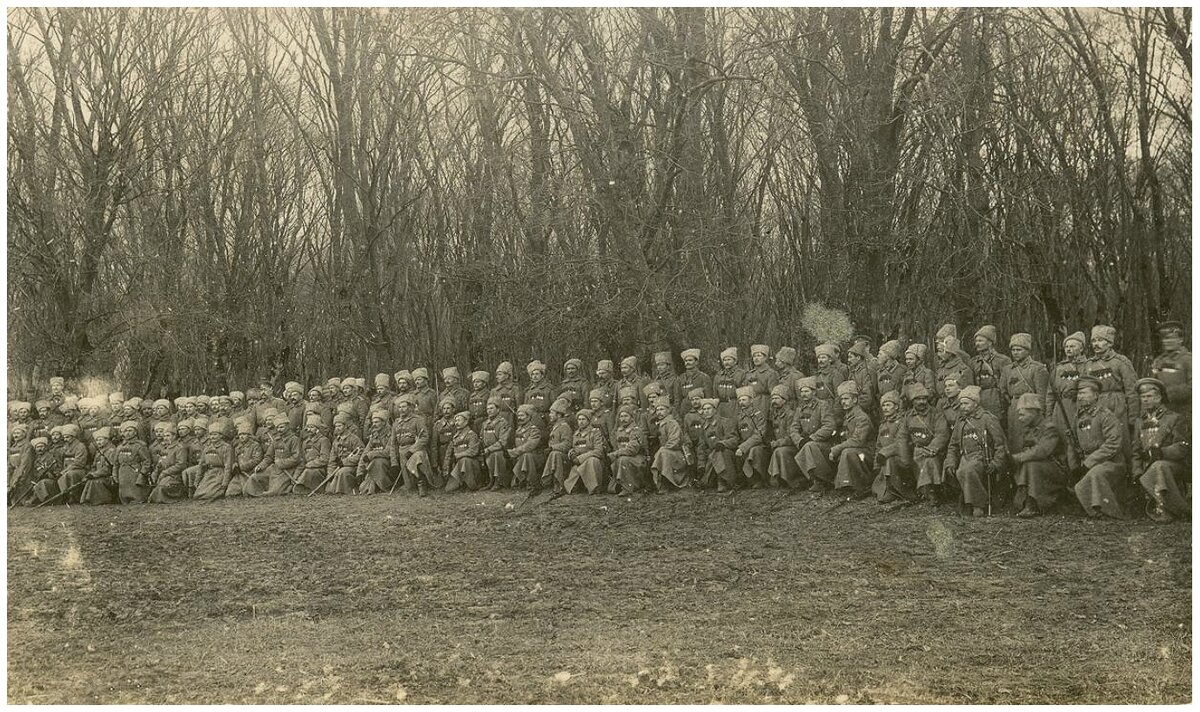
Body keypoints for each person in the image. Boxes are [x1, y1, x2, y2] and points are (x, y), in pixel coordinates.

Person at [1072, 376, 1132, 519]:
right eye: (1079, 393)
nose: (1080, 397)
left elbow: (1113, 444)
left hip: (1112, 462)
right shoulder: (1079, 417)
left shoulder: (1106, 416)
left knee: (1096, 473)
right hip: (1087, 463)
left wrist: (1088, 463)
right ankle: (1094, 509)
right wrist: (1075, 466)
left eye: (1085, 393)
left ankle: (1108, 512)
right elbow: (1072, 444)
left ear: (1096, 395)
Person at [943, 385, 1007, 517]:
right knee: (960, 470)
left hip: (982, 457)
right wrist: (950, 462)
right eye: (961, 404)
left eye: (966, 403)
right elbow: (953, 445)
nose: (963, 407)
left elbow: (1000, 444)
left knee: (969, 470)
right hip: (965, 456)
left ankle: (978, 505)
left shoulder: (987, 418)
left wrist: (996, 463)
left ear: (976, 404)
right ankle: (968, 503)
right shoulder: (960, 421)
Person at [1131, 378, 1190, 522]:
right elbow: (1136, 451)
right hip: (1147, 466)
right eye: (1143, 397)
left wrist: (1162, 452)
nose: (1145, 400)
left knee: (1159, 466)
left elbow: (1182, 446)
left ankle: (1175, 509)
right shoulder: (1140, 422)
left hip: (1171, 465)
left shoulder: (1174, 418)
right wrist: (1137, 471)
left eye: (1149, 396)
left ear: (1159, 397)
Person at [1009, 393, 1068, 518]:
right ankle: (1027, 500)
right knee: (1028, 463)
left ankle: (1033, 504)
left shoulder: (1049, 428)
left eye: (1022, 415)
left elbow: (1042, 451)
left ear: (1034, 413)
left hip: (1056, 470)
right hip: (1041, 470)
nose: (1020, 418)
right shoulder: (1029, 429)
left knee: (1031, 464)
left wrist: (1018, 457)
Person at [903, 384, 949, 505]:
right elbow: (902, 437)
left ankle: (932, 493)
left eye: (924, 399)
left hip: (932, 450)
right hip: (916, 450)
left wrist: (931, 449)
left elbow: (942, 434)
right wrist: (904, 455)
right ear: (913, 401)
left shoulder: (936, 414)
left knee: (930, 461)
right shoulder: (908, 416)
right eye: (918, 399)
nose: (922, 402)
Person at [1084, 324, 1139, 427]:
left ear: (1109, 343)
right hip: (1096, 408)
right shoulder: (1089, 364)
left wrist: (1133, 418)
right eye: (1093, 341)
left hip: (1117, 407)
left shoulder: (1121, 362)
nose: (1096, 344)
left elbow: (1132, 390)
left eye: (1100, 340)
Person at [1002, 333, 1050, 451]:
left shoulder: (1037, 368)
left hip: (1031, 407)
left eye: (1019, 349)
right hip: (1014, 408)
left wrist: (1041, 413)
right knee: (1014, 439)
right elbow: (1003, 390)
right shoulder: (1008, 369)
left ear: (1027, 351)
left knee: (1030, 440)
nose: (1015, 352)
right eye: (1013, 350)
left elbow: (1042, 394)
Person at [829, 381, 876, 500]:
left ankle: (859, 485)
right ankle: (845, 485)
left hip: (868, 452)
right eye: (842, 399)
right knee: (845, 452)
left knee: (847, 452)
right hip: (857, 450)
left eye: (846, 399)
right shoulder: (848, 415)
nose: (843, 402)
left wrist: (838, 448)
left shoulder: (861, 417)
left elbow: (858, 441)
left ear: (855, 400)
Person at [791, 377, 837, 492]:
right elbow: (793, 428)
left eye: (806, 391)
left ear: (814, 392)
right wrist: (799, 440)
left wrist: (813, 437)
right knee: (806, 446)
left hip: (824, 444)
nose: (803, 394)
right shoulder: (799, 409)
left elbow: (829, 426)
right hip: (806, 443)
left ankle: (823, 480)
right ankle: (812, 479)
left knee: (809, 446)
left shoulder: (823, 405)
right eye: (801, 391)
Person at [871, 391, 913, 503]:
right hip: (884, 459)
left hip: (900, 458)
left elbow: (901, 443)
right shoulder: (882, 425)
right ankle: (888, 489)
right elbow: (878, 446)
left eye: (888, 405)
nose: (885, 408)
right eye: (883, 405)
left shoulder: (902, 422)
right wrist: (876, 464)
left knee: (890, 461)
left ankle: (895, 491)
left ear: (896, 407)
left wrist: (885, 452)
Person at [390, 395, 436, 495]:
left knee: (417, 457)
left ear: (410, 408)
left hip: (415, 449)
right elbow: (393, 444)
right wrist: (394, 461)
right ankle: (412, 483)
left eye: (404, 407)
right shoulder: (396, 423)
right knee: (409, 486)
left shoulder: (418, 420)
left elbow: (424, 437)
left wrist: (412, 450)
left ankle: (422, 483)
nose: (401, 409)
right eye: (399, 407)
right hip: (402, 452)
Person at [698, 397, 739, 493]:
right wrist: (700, 465)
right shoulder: (704, 427)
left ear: (715, 410)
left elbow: (734, 439)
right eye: (704, 409)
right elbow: (701, 447)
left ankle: (723, 481)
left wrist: (723, 443)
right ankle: (711, 480)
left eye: (709, 409)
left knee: (720, 452)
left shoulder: (725, 422)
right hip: (712, 456)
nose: (706, 411)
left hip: (726, 454)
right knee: (713, 455)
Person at [970, 325, 1011, 420]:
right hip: (979, 399)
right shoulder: (973, 362)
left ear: (990, 343)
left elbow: (1007, 384)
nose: (977, 344)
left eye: (980, 341)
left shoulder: (1003, 360)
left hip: (997, 400)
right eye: (976, 341)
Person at [1150, 320, 1190, 415]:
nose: (1167, 342)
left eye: (1171, 338)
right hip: (1164, 412)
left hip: (1185, 411)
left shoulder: (1188, 360)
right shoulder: (1158, 361)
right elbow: (1153, 384)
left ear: (1180, 339)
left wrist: (1168, 393)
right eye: (1165, 339)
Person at [564, 409, 607, 495]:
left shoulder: (595, 433)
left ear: (588, 421)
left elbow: (598, 451)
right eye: (579, 419)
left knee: (591, 461)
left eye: (583, 419)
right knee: (570, 488)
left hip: (594, 462)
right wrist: (572, 454)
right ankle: (579, 485)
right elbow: (573, 447)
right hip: (580, 462)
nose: (581, 422)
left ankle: (594, 488)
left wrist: (580, 458)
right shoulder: (576, 434)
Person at [766, 384, 802, 488]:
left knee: (780, 451)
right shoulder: (773, 414)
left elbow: (792, 436)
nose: (774, 401)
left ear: (784, 400)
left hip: (790, 445)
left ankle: (788, 479)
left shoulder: (790, 414)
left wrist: (778, 443)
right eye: (772, 398)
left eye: (777, 398)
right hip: (777, 444)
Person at [650, 398, 689, 493]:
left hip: (678, 454)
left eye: (662, 409)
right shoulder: (660, 424)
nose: (659, 412)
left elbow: (674, 442)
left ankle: (666, 482)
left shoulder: (672, 423)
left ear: (668, 410)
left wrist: (661, 450)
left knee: (663, 453)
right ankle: (661, 482)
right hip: (667, 452)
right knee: (662, 453)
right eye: (657, 410)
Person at [734, 385, 769, 489]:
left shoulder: (759, 415)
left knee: (754, 451)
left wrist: (743, 447)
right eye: (740, 400)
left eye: (744, 400)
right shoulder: (739, 417)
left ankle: (758, 479)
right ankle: (743, 480)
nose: (741, 402)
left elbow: (759, 435)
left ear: (751, 400)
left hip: (759, 445)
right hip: (743, 445)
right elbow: (735, 434)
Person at [608, 404, 648, 495]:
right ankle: (620, 484)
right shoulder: (619, 431)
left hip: (638, 458)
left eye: (626, 416)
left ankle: (628, 487)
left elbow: (632, 450)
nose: (623, 419)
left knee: (623, 459)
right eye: (621, 416)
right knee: (610, 489)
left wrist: (616, 453)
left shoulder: (636, 430)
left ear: (632, 417)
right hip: (624, 457)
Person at [147, 423, 190, 503]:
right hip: (164, 475)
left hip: (175, 475)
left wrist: (165, 472)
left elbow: (180, 465)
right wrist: (155, 472)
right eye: (164, 436)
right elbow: (160, 462)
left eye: (168, 436)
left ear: (174, 436)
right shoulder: (165, 448)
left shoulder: (180, 448)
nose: (165, 438)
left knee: (162, 487)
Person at [357, 410, 396, 495]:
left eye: (377, 422)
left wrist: (372, 454)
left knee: (377, 461)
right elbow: (364, 454)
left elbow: (388, 452)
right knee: (363, 488)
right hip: (374, 464)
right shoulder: (374, 435)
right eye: (373, 422)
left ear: (384, 422)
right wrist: (359, 472)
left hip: (390, 463)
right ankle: (375, 485)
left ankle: (385, 485)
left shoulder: (391, 433)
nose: (374, 424)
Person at [193, 422, 235, 501]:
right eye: (211, 435)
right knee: (197, 495)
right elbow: (201, 465)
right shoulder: (207, 447)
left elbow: (228, 466)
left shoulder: (226, 447)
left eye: (215, 434)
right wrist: (197, 480)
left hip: (220, 473)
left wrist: (224, 484)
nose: (212, 437)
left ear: (221, 436)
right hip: (209, 473)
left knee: (210, 494)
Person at [324, 413, 364, 495]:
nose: (337, 428)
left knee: (342, 472)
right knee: (329, 487)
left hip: (353, 467)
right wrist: (330, 474)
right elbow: (332, 459)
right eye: (336, 426)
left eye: (340, 426)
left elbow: (361, 454)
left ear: (345, 426)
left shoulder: (354, 439)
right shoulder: (336, 441)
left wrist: (346, 462)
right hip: (339, 467)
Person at [509, 404, 546, 490]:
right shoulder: (518, 430)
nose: (519, 418)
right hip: (521, 456)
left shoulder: (534, 430)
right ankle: (522, 480)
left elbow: (530, 446)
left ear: (529, 417)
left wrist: (514, 452)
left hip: (536, 457)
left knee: (527, 455)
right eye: (518, 415)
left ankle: (531, 482)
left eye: (522, 415)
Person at [444, 412, 484, 492]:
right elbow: (448, 453)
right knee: (448, 489)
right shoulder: (455, 436)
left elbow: (473, 451)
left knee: (464, 460)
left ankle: (470, 485)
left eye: (459, 420)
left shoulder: (472, 435)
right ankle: (461, 483)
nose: (457, 423)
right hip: (458, 466)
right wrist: (446, 467)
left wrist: (459, 455)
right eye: (456, 421)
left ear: (466, 422)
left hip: (472, 465)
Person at [542, 398, 574, 494]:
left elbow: (567, 444)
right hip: (554, 456)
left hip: (563, 458)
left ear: (559, 415)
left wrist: (552, 448)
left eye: (552, 413)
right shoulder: (555, 426)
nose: (550, 415)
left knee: (555, 454)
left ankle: (558, 483)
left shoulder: (564, 427)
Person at [480, 396, 513, 490]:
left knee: (496, 455)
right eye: (487, 409)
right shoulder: (485, 423)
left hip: (499, 450)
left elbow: (502, 442)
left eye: (491, 408)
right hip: (487, 449)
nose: (489, 411)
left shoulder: (503, 423)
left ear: (498, 410)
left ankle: (498, 481)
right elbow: (481, 437)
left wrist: (489, 449)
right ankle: (490, 480)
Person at [115, 421, 153, 504]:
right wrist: (115, 475)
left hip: (135, 471)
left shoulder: (140, 445)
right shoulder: (120, 447)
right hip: (122, 472)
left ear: (135, 432)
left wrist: (142, 474)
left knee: (136, 495)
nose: (127, 433)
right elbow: (116, 463)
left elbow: (147, 462)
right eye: (125, 431)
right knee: (123, 493)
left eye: (130, 431)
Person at [228, 419, 267, 498]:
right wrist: (235, 465)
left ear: (249, 435)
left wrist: (243, 466)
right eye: (240, 435)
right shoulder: (238, 446)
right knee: (229, 493)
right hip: (239, 474)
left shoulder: (255, 445)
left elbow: (257, 459)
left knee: (247, 492)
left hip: (250, 473)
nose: (241, 436)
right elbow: (234, 458)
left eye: (244, 434)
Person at [79, 427, 118, 505]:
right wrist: (91, 473)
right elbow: (94, 466)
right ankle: (88, 500)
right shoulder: (98, 452)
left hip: (109, 476)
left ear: (107, 440)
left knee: (96, 482)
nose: (98, 442)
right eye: (97, 440)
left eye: (100, 440)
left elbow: (108, 468)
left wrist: (95, 474)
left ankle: (100, 500)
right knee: (89, 481)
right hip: (99, 475)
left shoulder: (112, 451)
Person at [294, 416, 330, 495]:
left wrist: (311, 464)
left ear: (317, 429)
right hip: (307, 468)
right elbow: (302, 460)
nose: (309, 430)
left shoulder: (324, 440)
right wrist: (297, 473)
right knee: (300, 474)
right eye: (308, 427)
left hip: (319, 470)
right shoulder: (305, 442)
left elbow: (325, 458)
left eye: (312, 427)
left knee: (308, 472)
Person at [936, 332, 974, 403]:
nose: (938, 354)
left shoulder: (962, 369)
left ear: (950, 353)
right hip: (942, 403)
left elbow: (968, 391)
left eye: (941, 351)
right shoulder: (941, 368)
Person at [55, 424, 89, 504]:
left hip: (79, 470)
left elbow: (79, 463)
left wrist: (64, 471)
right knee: (61, 477)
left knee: (71, 474)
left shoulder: (80, 446)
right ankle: (65, 495)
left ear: (73, 437)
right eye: (64, 437)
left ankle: (74, 496)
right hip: (67, 470)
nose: (65, 439)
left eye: (67, 437)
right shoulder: (65, 447)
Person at [847, 343, 879, 422]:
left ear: (858, 357)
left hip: (866, 411)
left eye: (850, 357)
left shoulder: (867, 372)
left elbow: (868, 396)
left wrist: (857, 409)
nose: (848, 360)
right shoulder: (853, 371)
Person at [712, 347, 746, 420]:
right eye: (724, 360)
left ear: (735, 361)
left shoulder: (741, 374)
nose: (726, 362)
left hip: (735, 406)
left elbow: (744, 393)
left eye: (729, 359)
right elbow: (715, 393)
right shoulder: (718, 375)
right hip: (721, 407)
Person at [901, 344, 937, 409]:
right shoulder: (907, 374)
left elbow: (931, 392)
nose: (908, 362)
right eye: (906, 359)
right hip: (909, 409)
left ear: (919, 360)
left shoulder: (927, 373)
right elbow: (903, 393)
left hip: (923, 407)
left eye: (911, 359)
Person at [745, 344, 779, 413]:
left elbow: (773, 393)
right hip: (751, 405)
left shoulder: (771, 373)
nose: (756, 358)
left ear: (765, 358)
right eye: (754, 356)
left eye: (759, 356)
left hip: (764, 405)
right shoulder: (750, 374)